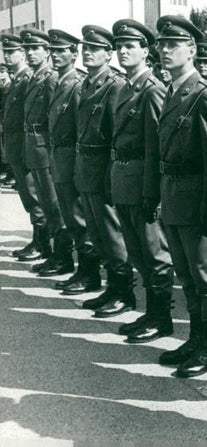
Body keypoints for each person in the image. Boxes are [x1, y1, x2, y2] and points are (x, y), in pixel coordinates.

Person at [152, 15, 207, 378]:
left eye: (173, 45)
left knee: (206, 276)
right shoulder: (172, 89)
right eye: (162, 45)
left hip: (195, 197)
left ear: (192, 50)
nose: (165, 51)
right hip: (174, 195)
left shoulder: (202, 94)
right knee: (186, 273)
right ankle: (196, 338)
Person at [110, 19, 174, 338]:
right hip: (124, 180)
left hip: (142, 184)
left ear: (145, 51)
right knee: (136, 252)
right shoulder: (125, 87)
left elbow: (156, 148)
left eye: (129, 46)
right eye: (119, 46)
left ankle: (161, 316)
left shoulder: (152, 91)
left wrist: (152, 193)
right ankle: (150, 312)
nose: (122, 51)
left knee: (155, 254)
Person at [73, 26, 130, 302]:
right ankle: (110, 287)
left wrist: (110, 176)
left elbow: (117, 136)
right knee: (96, 233)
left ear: (109, 54)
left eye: (94, 49)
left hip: (103, 169)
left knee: (111, 233)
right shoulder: (86, 82)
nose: (87, 52)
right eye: (85, 48)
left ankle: (122, 291)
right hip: (86, 168)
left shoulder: (114, 86)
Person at [45, 29, 101, 287]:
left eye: (61, 51)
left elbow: (83, 128)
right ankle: (81, 269)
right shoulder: (61, 82)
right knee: (69, 216)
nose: (55, 56)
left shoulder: (77, 85)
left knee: (80, 218)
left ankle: (90, 272)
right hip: (60, 158)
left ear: (73, 54)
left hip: (72, 157)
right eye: (53, 51)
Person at [20, 29, 68, 275]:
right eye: (27, 49)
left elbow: (54, 119)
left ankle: (61, 256)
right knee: (44, 202)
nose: (29, 53)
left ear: (45, 52)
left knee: (52, 203)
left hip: (45, 148)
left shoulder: (49, 78)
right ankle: (50, 250)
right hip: (34, 146)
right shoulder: (35, 76)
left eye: (35, 48)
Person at [2, 33, 46, 261]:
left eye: (12, 52)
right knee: (27, 195)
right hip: (16, 145)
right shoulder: (18, 78)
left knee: (34, 195)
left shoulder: (28, 77)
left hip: (26, 144)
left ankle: (42, 242)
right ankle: (39, 240)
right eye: (5, 52)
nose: (7, 56)